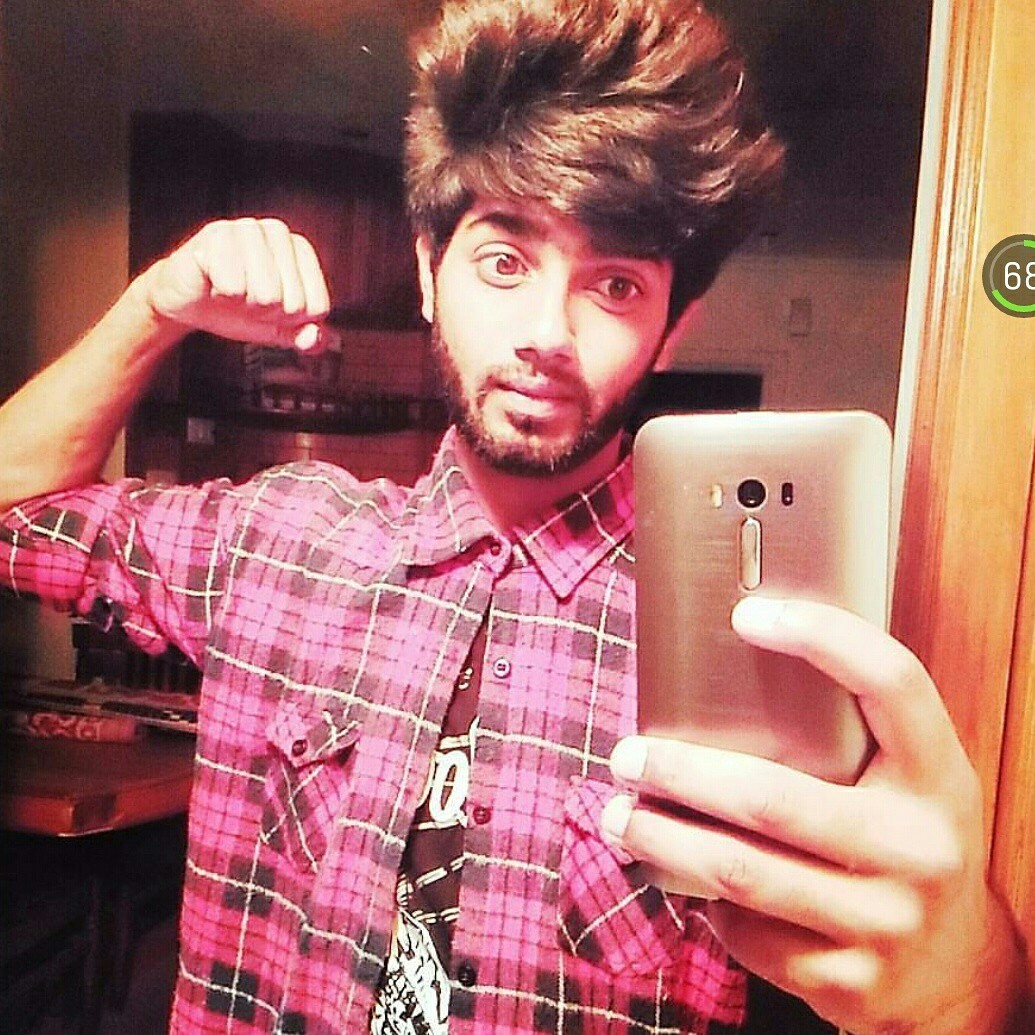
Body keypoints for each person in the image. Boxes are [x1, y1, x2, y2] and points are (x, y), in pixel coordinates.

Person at [0, 0, 1029, 1033]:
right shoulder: (276, 542)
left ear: (674, 329)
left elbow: (898, 950)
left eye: (614, 284)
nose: (548, 333)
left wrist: (961, 983)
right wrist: (152, 311)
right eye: (504, 260)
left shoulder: (755, 643)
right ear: (426, 271)